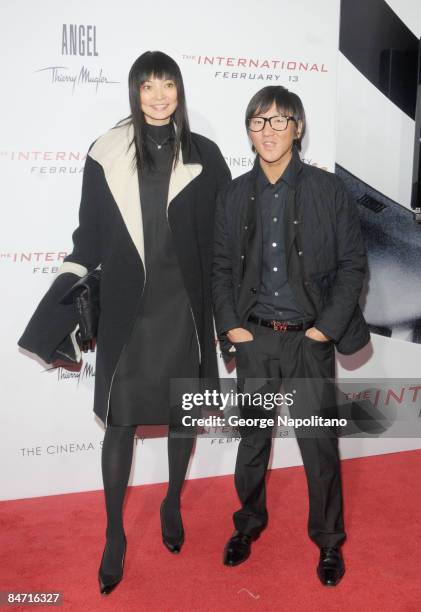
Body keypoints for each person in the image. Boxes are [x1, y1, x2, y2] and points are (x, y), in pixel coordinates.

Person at [18, 50, 231, 595]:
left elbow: (227, 239)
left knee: (185, 415)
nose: (159, 96)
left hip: (185, 308)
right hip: (127, 310)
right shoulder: (105, 153)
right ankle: (114, 535)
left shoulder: (206, 155)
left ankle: (172, 504)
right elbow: (88, 236)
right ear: (135, 93)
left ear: (180, 92)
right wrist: (63, 293)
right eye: (148, 86)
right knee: (120, 423)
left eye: (168, 85)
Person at [212, 85, 369, 586]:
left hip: (308, 340)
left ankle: (328, 541)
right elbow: (218, 269)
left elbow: (352, 267)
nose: (269, 131)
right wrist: (233, 328)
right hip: (255, 337)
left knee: (318, 446)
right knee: (252, 443)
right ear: (249, 130)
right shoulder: (235, 194)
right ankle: (248, 524)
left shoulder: (329, 192)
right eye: (259, 122)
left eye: (280, 121)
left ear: (298, 128)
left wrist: (325, 331)